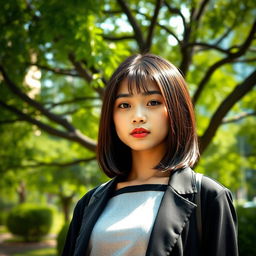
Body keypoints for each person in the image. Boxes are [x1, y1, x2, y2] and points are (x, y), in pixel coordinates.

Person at [62, 54, 238, 256]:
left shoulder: (209, 197)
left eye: (153, 102)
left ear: (177, 109)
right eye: (124, 105)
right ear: (111, 118)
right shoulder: (89, 202)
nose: (137, 116)